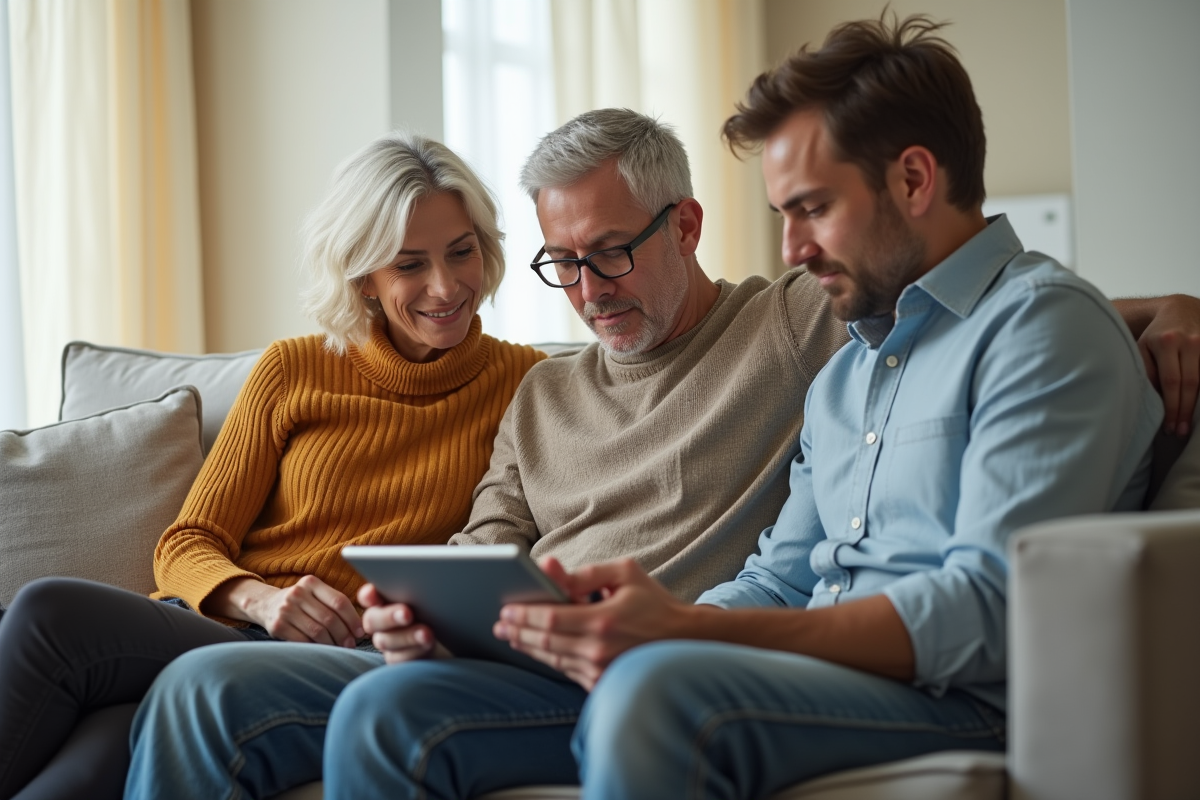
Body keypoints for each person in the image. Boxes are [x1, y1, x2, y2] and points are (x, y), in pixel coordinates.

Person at [124, 100, 1200, 799]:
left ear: (684, 227)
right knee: (224, 689)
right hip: (537, 650)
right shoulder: (540, 390)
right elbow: (488, 539)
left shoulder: (802, 321)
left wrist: (1176, 310)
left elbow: (970, 312)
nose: (588, 291)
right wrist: (431, 608)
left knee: (411, 712)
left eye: (610, 254)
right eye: (561, 265)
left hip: (673, 648)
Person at [0, 133, 544, 800]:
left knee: (79, 677)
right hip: (224, 628)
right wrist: (263, 599)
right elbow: (187, 543)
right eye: (409, 264)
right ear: (364, 278)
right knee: (56, 645)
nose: (446, 285)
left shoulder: (529, 384)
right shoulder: (293, 369)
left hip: (346, 654)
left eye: (462, 251)